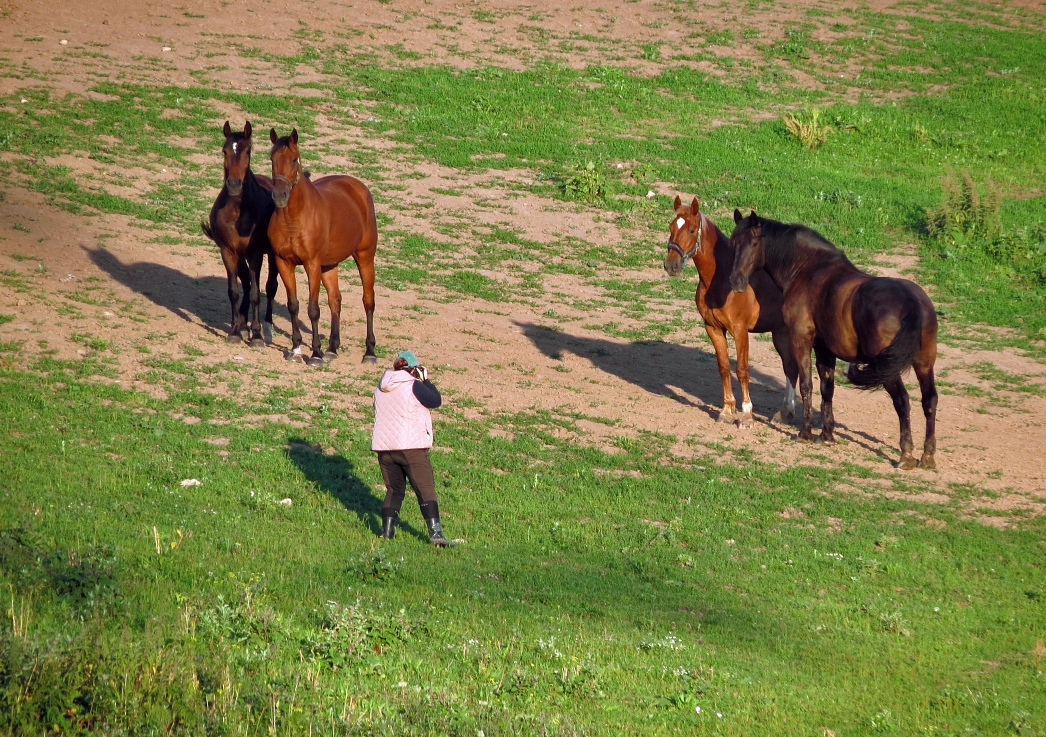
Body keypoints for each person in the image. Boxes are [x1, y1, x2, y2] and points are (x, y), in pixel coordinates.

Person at [371, 350, 453, 547]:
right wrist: (425, 380)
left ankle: (387, 534)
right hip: (411, 447)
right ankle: (436, 534)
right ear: (413, 369)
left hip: (385, 449)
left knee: (394, 490)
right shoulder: (413, 385)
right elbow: (435, 400)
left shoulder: (381, 387)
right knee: (425, 490)